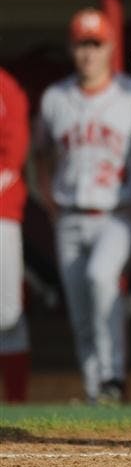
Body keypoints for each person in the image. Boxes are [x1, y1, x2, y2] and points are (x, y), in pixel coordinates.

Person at [33, 8, 131, 405]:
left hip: (118, 215)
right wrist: (50, 200)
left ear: (109, 48)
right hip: (70, 214)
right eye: (81, 44)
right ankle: (96, 390)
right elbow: (41, 153)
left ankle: (113, 378)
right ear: (71, 48)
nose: (88, 53)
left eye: (96, 44)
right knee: (79, 306)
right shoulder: (56, 98)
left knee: (101, 278)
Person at [0, 68, 31, 403]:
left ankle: (16, 402)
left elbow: (14, 154)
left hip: (1, 211)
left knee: (7, 314)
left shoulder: (5, 88)